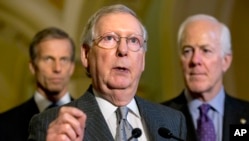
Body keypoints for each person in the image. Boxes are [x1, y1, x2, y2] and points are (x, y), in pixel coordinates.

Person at [28, 4, 187, 141]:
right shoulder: (51, 124)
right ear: (86, 54)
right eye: (109, 38)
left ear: (143, 59)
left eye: (133, 41)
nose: (123, 50)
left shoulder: (172, 121)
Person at [161, 14, 249, 141]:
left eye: (206, 50)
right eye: (187, 51)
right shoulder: (158, 118)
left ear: (225, 61)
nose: (195, 60)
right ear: (180, 60)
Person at [0, 27, 76, 141]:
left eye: (64, 59)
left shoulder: (95, 120)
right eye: (48, 59)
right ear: (32, 67)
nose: (57, 68)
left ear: (72, 67)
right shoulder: (4, 124)